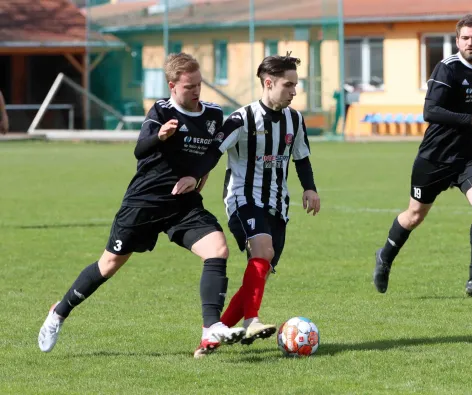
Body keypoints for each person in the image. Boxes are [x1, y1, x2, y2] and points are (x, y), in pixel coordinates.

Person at [37, 53, 245, 358]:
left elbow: (213, 152)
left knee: (217, 249)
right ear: (173, 86)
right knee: (108, 265)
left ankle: (210, 327)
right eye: (189, 86)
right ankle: (59, 312)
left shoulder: (213, 114)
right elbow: (140, 149)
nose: (197, 91)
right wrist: (160, 136)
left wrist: (198, 174)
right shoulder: (161, 111)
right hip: (144, 202)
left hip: (182, 205)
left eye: (199, 84)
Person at [372, 14, 472, 298]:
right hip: (435, 157)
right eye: (464, 38)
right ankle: (385, 255)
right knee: (414, 216)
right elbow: (431, 111)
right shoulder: (446, 69)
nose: (470, 43)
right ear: (457, 40)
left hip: (470, 156)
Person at [192, 54, 320, 346]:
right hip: (242, 198)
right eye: (288, 85)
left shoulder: (295, 120)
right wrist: (196, 176)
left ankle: (211, 339)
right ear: (268, 82)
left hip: (278, 203)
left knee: (259, 272)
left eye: (295, 85)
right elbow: (214, 151)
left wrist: (309, 188)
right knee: (262, 249)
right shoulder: (241, 119)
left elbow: (301, 158)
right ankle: (251, 321)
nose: (294, 91)